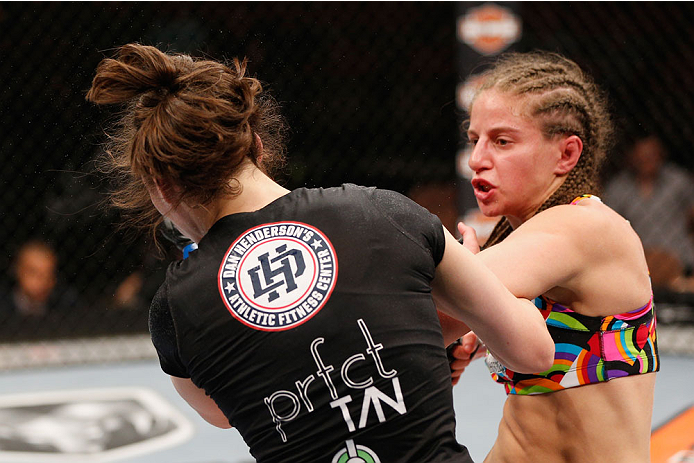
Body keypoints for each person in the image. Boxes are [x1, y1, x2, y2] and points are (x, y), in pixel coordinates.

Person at [86, 43, 554, 463]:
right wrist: (471, 293)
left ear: (160, 186)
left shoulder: (174, 311)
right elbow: (532, 351)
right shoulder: (382, 212)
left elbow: (222, 414)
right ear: (256, 145)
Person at [448, 51, 659, 462]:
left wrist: (461, 288)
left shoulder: (585, 228)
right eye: (475, 140)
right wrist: (468, 334)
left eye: (502, 141)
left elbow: (431, 296)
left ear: (566, 154)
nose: (476, 160)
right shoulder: (515, 235)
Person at [603, 133, 694, 291]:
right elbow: (609, 228)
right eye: (642, 157)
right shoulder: (619, 187)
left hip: (681, 261)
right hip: (636, 263)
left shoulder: (679, 181)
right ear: (631, 157)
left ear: (661, 155)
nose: (646, 161)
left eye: (651, 155)